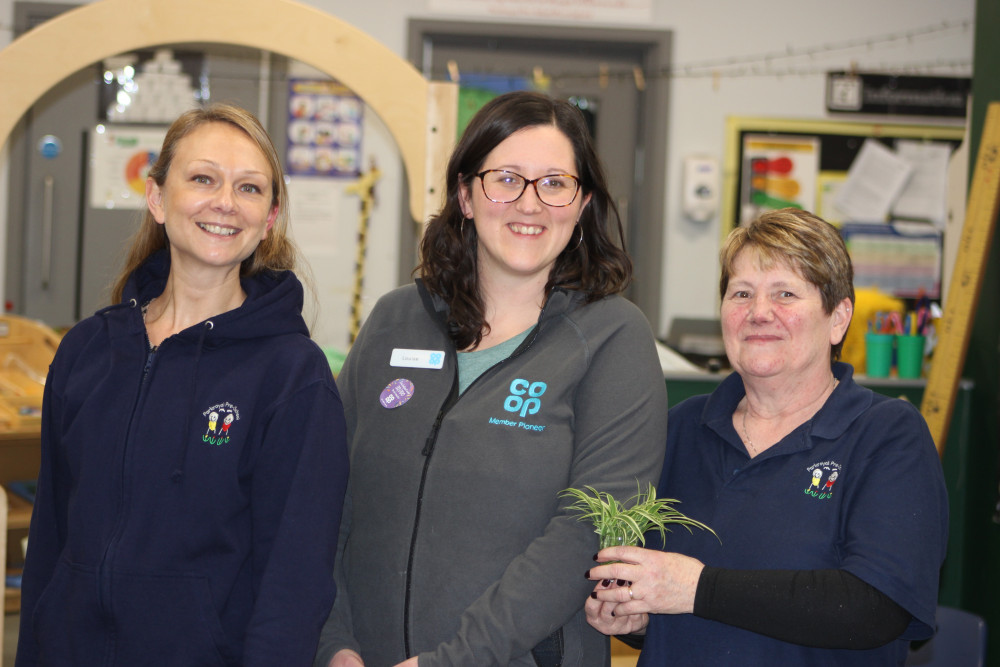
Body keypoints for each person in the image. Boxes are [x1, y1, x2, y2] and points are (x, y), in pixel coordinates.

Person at [315, 90, 667, 667]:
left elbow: (584, 532)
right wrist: (333, 643)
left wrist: (454, 661)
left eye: (555, 183)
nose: (530, 203)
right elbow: (328, 496)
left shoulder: (613, 337)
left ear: (581, 205)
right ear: (466, 194)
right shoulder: (393, 321)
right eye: (506, 178)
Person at [16, 104, 349, 666]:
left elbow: (293, 584)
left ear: (268, 219)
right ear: (157, 198)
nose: (224, 202)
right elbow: (49, 539)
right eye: (202, 178)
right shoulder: (87, 352)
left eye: (249, 188)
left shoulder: (292, 376)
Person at [585, 208, 949, 665]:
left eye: (785, 293)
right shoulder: (679, 429)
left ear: (838, 318)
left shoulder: (886, 434)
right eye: (741, 293)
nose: (759, 312)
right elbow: (665, 594)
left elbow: (876, 608)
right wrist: (635, 618)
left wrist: (696, 588)